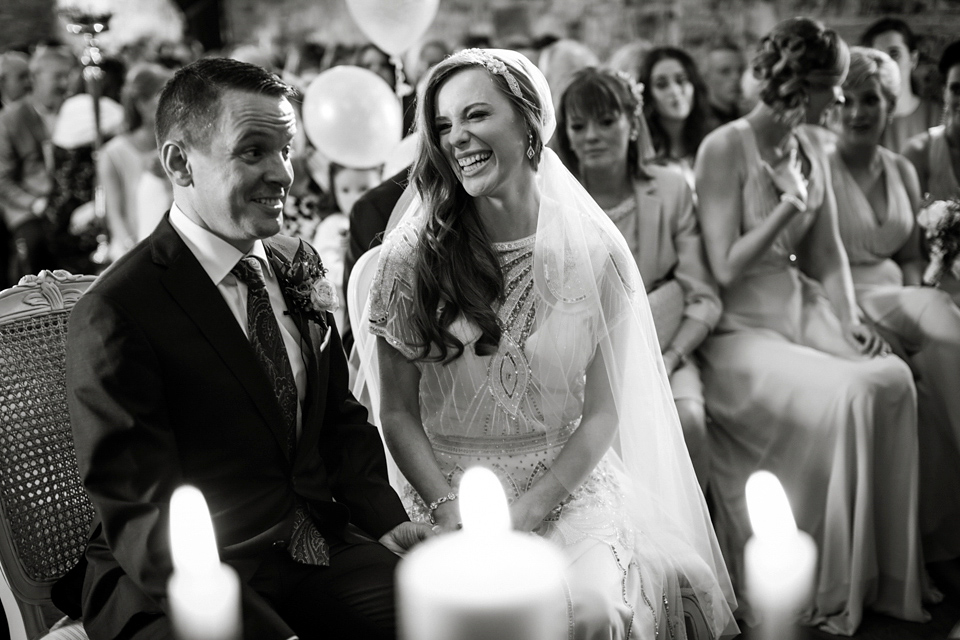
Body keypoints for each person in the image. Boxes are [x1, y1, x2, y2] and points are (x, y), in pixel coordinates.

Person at [364, 48, 737, 639]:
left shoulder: (597, 256)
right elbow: (395, 411)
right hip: (445, 487)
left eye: (476, 116)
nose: (456, 137)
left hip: (565, 482)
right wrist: (448, 507)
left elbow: (605, 412)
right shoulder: (411, 260)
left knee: (590, 609)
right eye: (442, 125)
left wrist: (535, 507)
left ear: (530, 123)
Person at [55, 57, 431, 640]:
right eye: (253, 152)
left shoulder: (294, 263)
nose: (283, 173)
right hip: (177, 582)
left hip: (308, 547)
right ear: (180, 162)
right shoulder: (118, 312)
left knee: (443, 612)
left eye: (286, 150)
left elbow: (341, 421)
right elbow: (142, 512)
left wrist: (386, 523)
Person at [695, 18, 929, 634]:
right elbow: (723, 265)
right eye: (834, 86)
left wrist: (852, 323)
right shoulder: (725, 147)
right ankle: (832, 580)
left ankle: (889, 578)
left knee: (893, 377)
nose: (843, 100)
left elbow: (825, 256)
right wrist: (789, 205)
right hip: (741, 332)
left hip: (802, 309)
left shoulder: (813, 148)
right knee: (852, 391)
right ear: (802, 84)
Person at [555, 67, 720, 494]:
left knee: (687, 419)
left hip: (666, 347)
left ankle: (692, 540)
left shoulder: (670, 189)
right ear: (567, 136)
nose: (591, 135)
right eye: (578, 125)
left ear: (633, 125)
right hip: (581, 360)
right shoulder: (555, 200)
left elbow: (702, 295)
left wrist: (671, 357)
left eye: (606, 121)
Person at [830, 46, 960, 563]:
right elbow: (805, 264)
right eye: (847, 100)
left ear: (890, 106)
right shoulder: (818, 165)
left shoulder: (902, 169)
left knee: (937, 355)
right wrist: (854, 320)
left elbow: (909, 257)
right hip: (846, 301)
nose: (858, 112)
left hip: (901, 298)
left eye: (872, 100)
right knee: (937, 342)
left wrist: (919, 291)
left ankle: (941, 532)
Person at [0, 45, 75, 281]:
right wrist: (35, 203)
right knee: (35, 245)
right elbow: (2, 178)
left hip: (66, 203)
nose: (64, 84)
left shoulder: (72, 111)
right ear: (35, 78)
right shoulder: (11, 119)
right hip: (28, 209)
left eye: (68, 76)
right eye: (58, 77)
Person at [902, 39, 960, 303]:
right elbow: (908, 248)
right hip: (937, 286)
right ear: (945, 91)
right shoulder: (918, 153)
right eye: (957, 89)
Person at [97, 63, 174, 260]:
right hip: (133, 247)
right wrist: (133, 250)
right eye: (164, 98)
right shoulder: (113, 152)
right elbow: (115, 214)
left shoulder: (178, 144)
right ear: (141, 103)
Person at [312, 162, 383, 335]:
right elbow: (325, 274)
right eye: (345, 190)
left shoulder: (381, 223)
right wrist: (348, 260)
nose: (354, 198)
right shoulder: (332, 226)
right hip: (345, 312)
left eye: (363, 188)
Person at [861, 17, 941, 153]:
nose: (888, 65)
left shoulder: (938, 117)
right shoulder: (862, 120)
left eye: (894, 54)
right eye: (878, 58)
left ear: (913, 59)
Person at [639, 47, 712, 188]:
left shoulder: (713, 142)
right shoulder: (643, 153)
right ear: (648, 95)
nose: (674, 91)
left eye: (681, 80)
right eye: (662, 85)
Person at [701, 38, 746, 129]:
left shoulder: (747, 117)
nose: (736, 78)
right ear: (705, 77)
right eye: (725, 71)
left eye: (740, 71)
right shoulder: (697, 124)